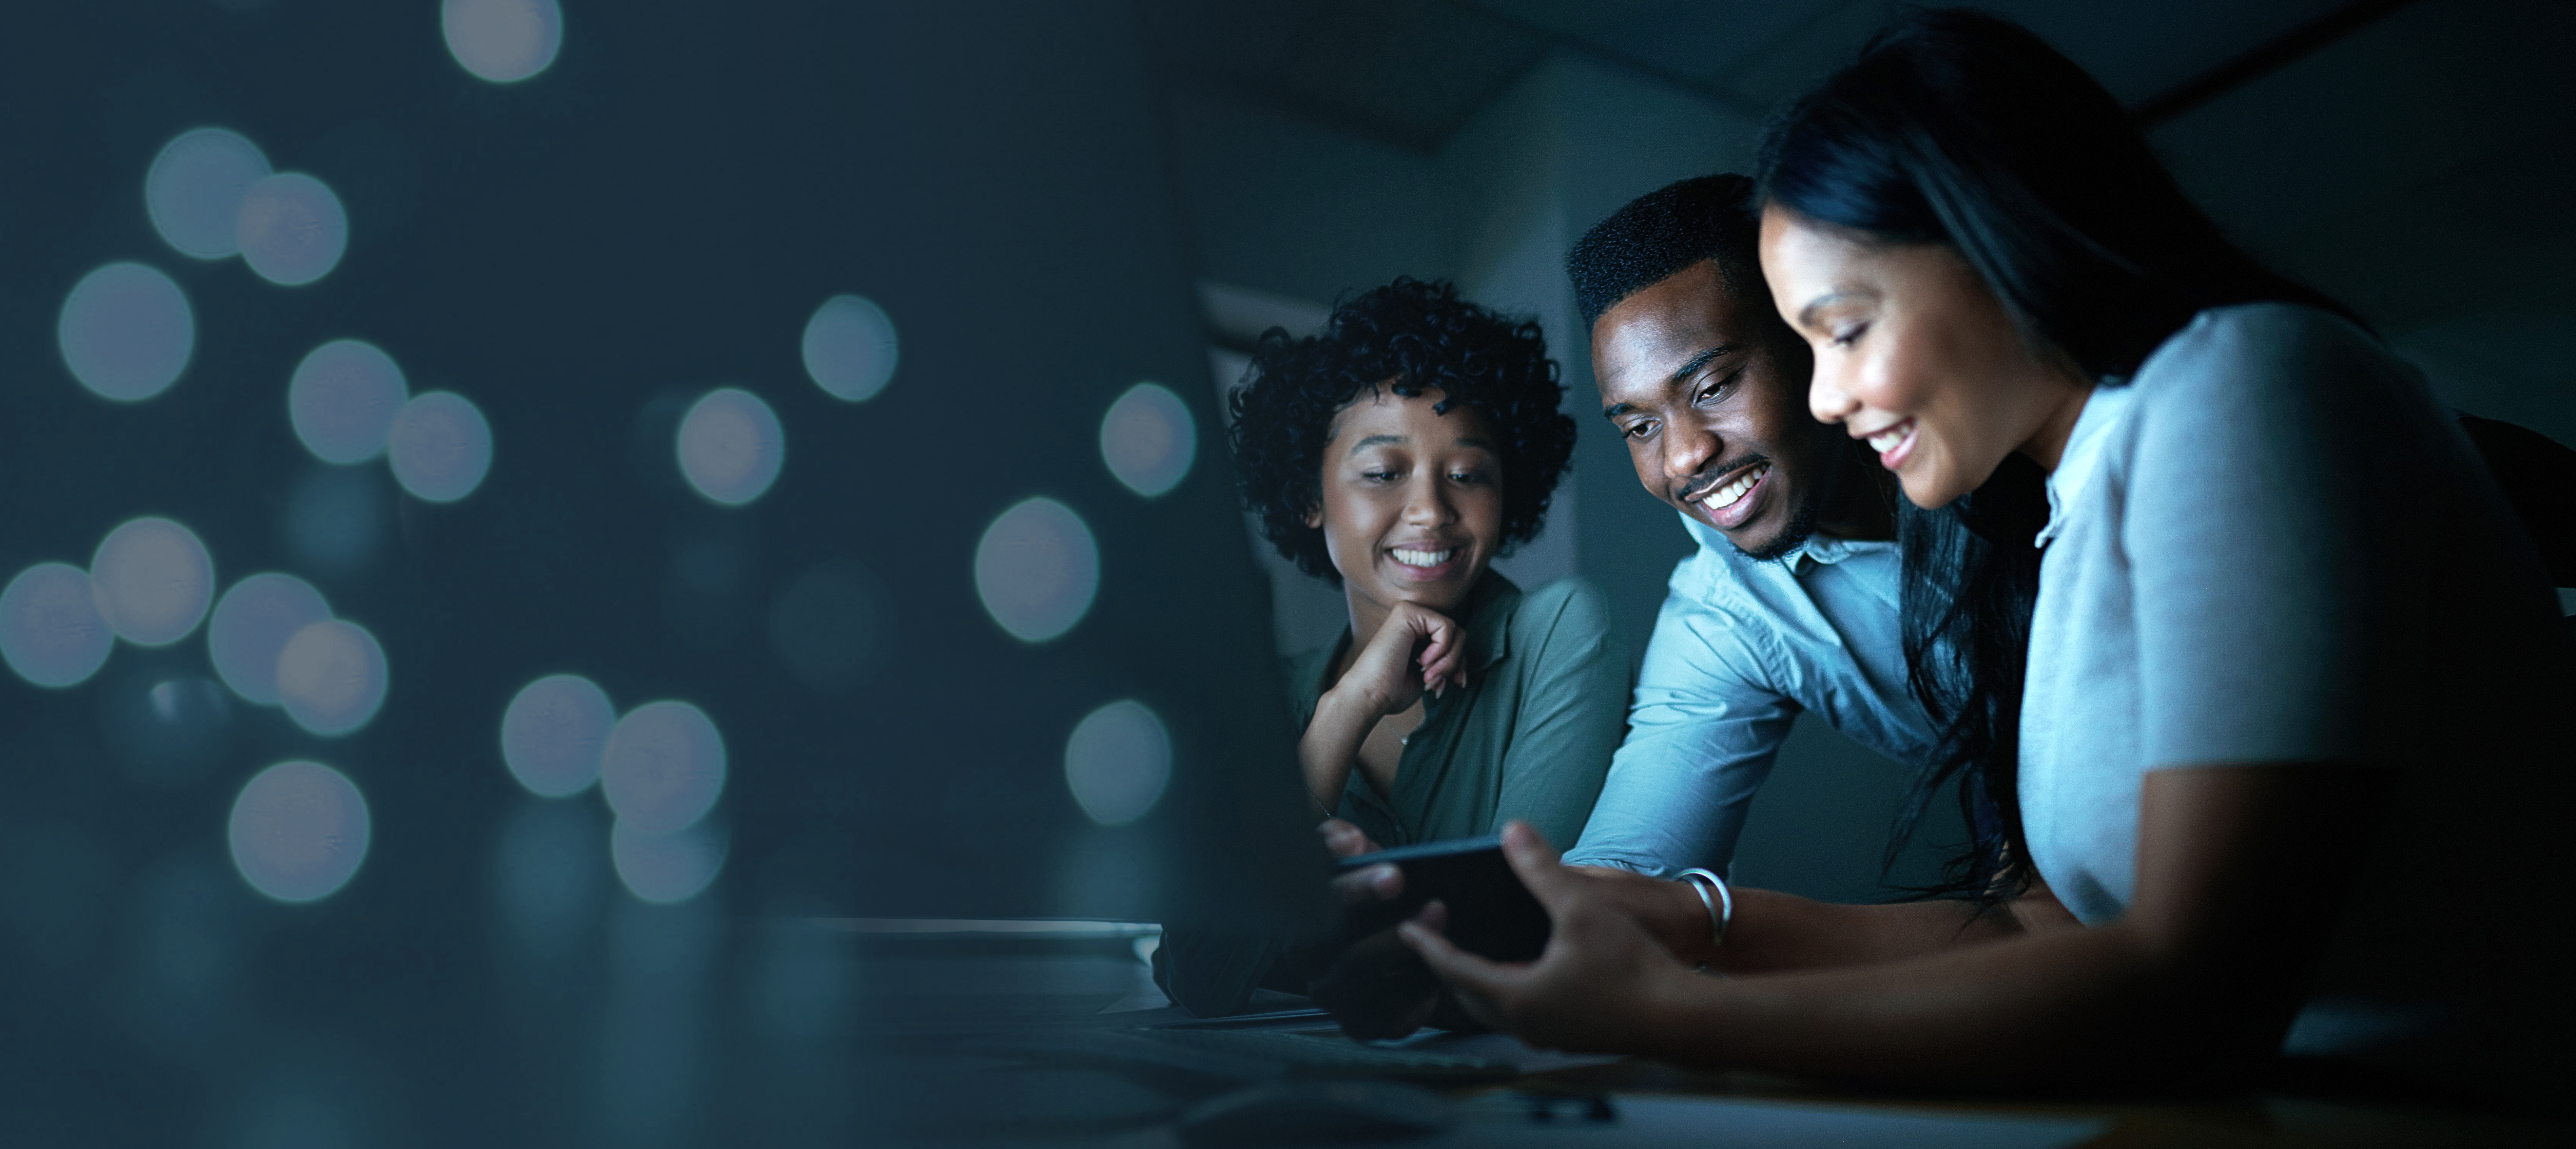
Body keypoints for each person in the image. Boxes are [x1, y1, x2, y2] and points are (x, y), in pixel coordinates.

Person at [1395, 8, 2572, 1100]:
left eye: (1842, 331)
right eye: (1807, 346)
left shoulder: (2239, 386)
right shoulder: (2066, 512)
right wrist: (1646, 924)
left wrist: (1666, 1015)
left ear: (1987, 241)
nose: (1831, 395)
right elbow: (2042, 928)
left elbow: (2196, 986)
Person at [1156, 276, 1628, 1017]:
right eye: (1383, 473)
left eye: (1469, 475)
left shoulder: (1558, 630)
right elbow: (1197, 973)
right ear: (1310, 497)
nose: (1432, 510)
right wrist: (1350, 706)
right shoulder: (1269, 697)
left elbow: (1523, 924)